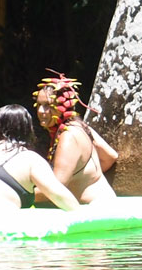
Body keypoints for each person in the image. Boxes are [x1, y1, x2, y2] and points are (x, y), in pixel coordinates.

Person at [33, 72, 117, 203]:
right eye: (39, 105)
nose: (41, 111)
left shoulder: (68, 137)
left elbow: (56, 188)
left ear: (62, 107)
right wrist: (85, 176)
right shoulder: (81, 126)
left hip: (96, 211)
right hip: (100, 203)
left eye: (48, 106)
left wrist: (20, 195)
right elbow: (110, 156)